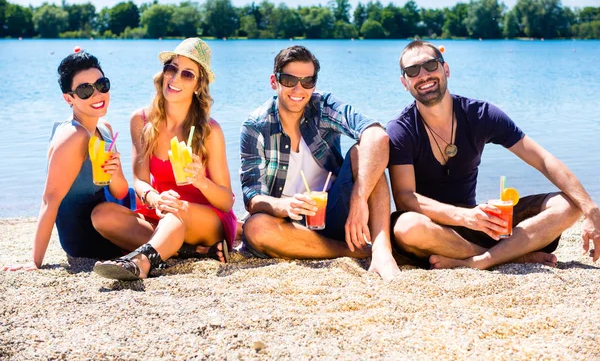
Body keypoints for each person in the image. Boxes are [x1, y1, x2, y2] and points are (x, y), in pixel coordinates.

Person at [387, 40, 600, 270]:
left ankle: (483, 260)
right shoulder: (401, 130)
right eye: (412, 71)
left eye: (430, 65)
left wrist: (591, 209)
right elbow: (404, 197)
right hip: (434, 232)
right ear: (404, 82)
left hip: (480, 223)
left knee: (570, 203)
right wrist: (463, 217)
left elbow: (544, 160)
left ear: (445, 69)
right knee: (406, 226)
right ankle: (511, 256)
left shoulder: (481, 115)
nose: (424, 75)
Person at [240, 45, 399, 281]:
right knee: (255, 227)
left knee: (362, 153)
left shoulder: (322, 105)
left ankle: (382, 250)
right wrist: (286, 206)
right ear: (274, 81)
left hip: (337, 211)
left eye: (307, 81)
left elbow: (377, 136)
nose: (298, 89)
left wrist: (358, 197)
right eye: (289, 79)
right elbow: (253, 198)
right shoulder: (256, 126)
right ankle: (355, 250)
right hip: (292, 225)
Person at [93, 38, 237, 280]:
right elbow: (139, 180)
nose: (175, 78)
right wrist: (155, 198)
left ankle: (140, 262)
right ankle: (190, 252)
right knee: (102, 215)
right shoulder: (140, 120)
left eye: (187, 74)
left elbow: (225, 202)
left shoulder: (210, 131)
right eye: (171, 68)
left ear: (199, 85)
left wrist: (201, 181)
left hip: (207, 221)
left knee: (175, 211)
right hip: (162, 212)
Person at [3, 51, 131, 272]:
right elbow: (49, 200)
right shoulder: (73, 136)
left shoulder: (105, 129)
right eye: (85, 90)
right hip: (86, 235)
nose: (97, 94)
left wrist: (116, 172)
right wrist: (35, 261)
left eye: (102, 84)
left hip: (110, 218)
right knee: (154, 225)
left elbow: (119, 192)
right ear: (69, 98)